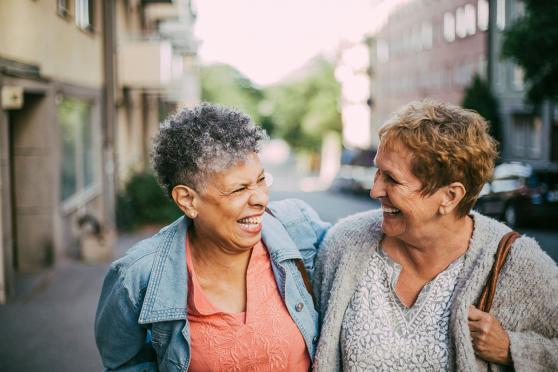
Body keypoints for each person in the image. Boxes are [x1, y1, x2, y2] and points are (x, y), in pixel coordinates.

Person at [313, 100, 558, 371]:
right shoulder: (345, 245)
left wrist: (512, 348)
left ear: (450, 196)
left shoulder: (515, 261)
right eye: (377, 172)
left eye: (392, 180)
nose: (375, 191)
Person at [95, 103, 330, 371]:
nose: (261, 199)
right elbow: (125, 365)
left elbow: (361, 248)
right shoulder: (135, 277)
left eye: (261, 180)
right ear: (187, 200)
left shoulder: (297, 225)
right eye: (239, 189)